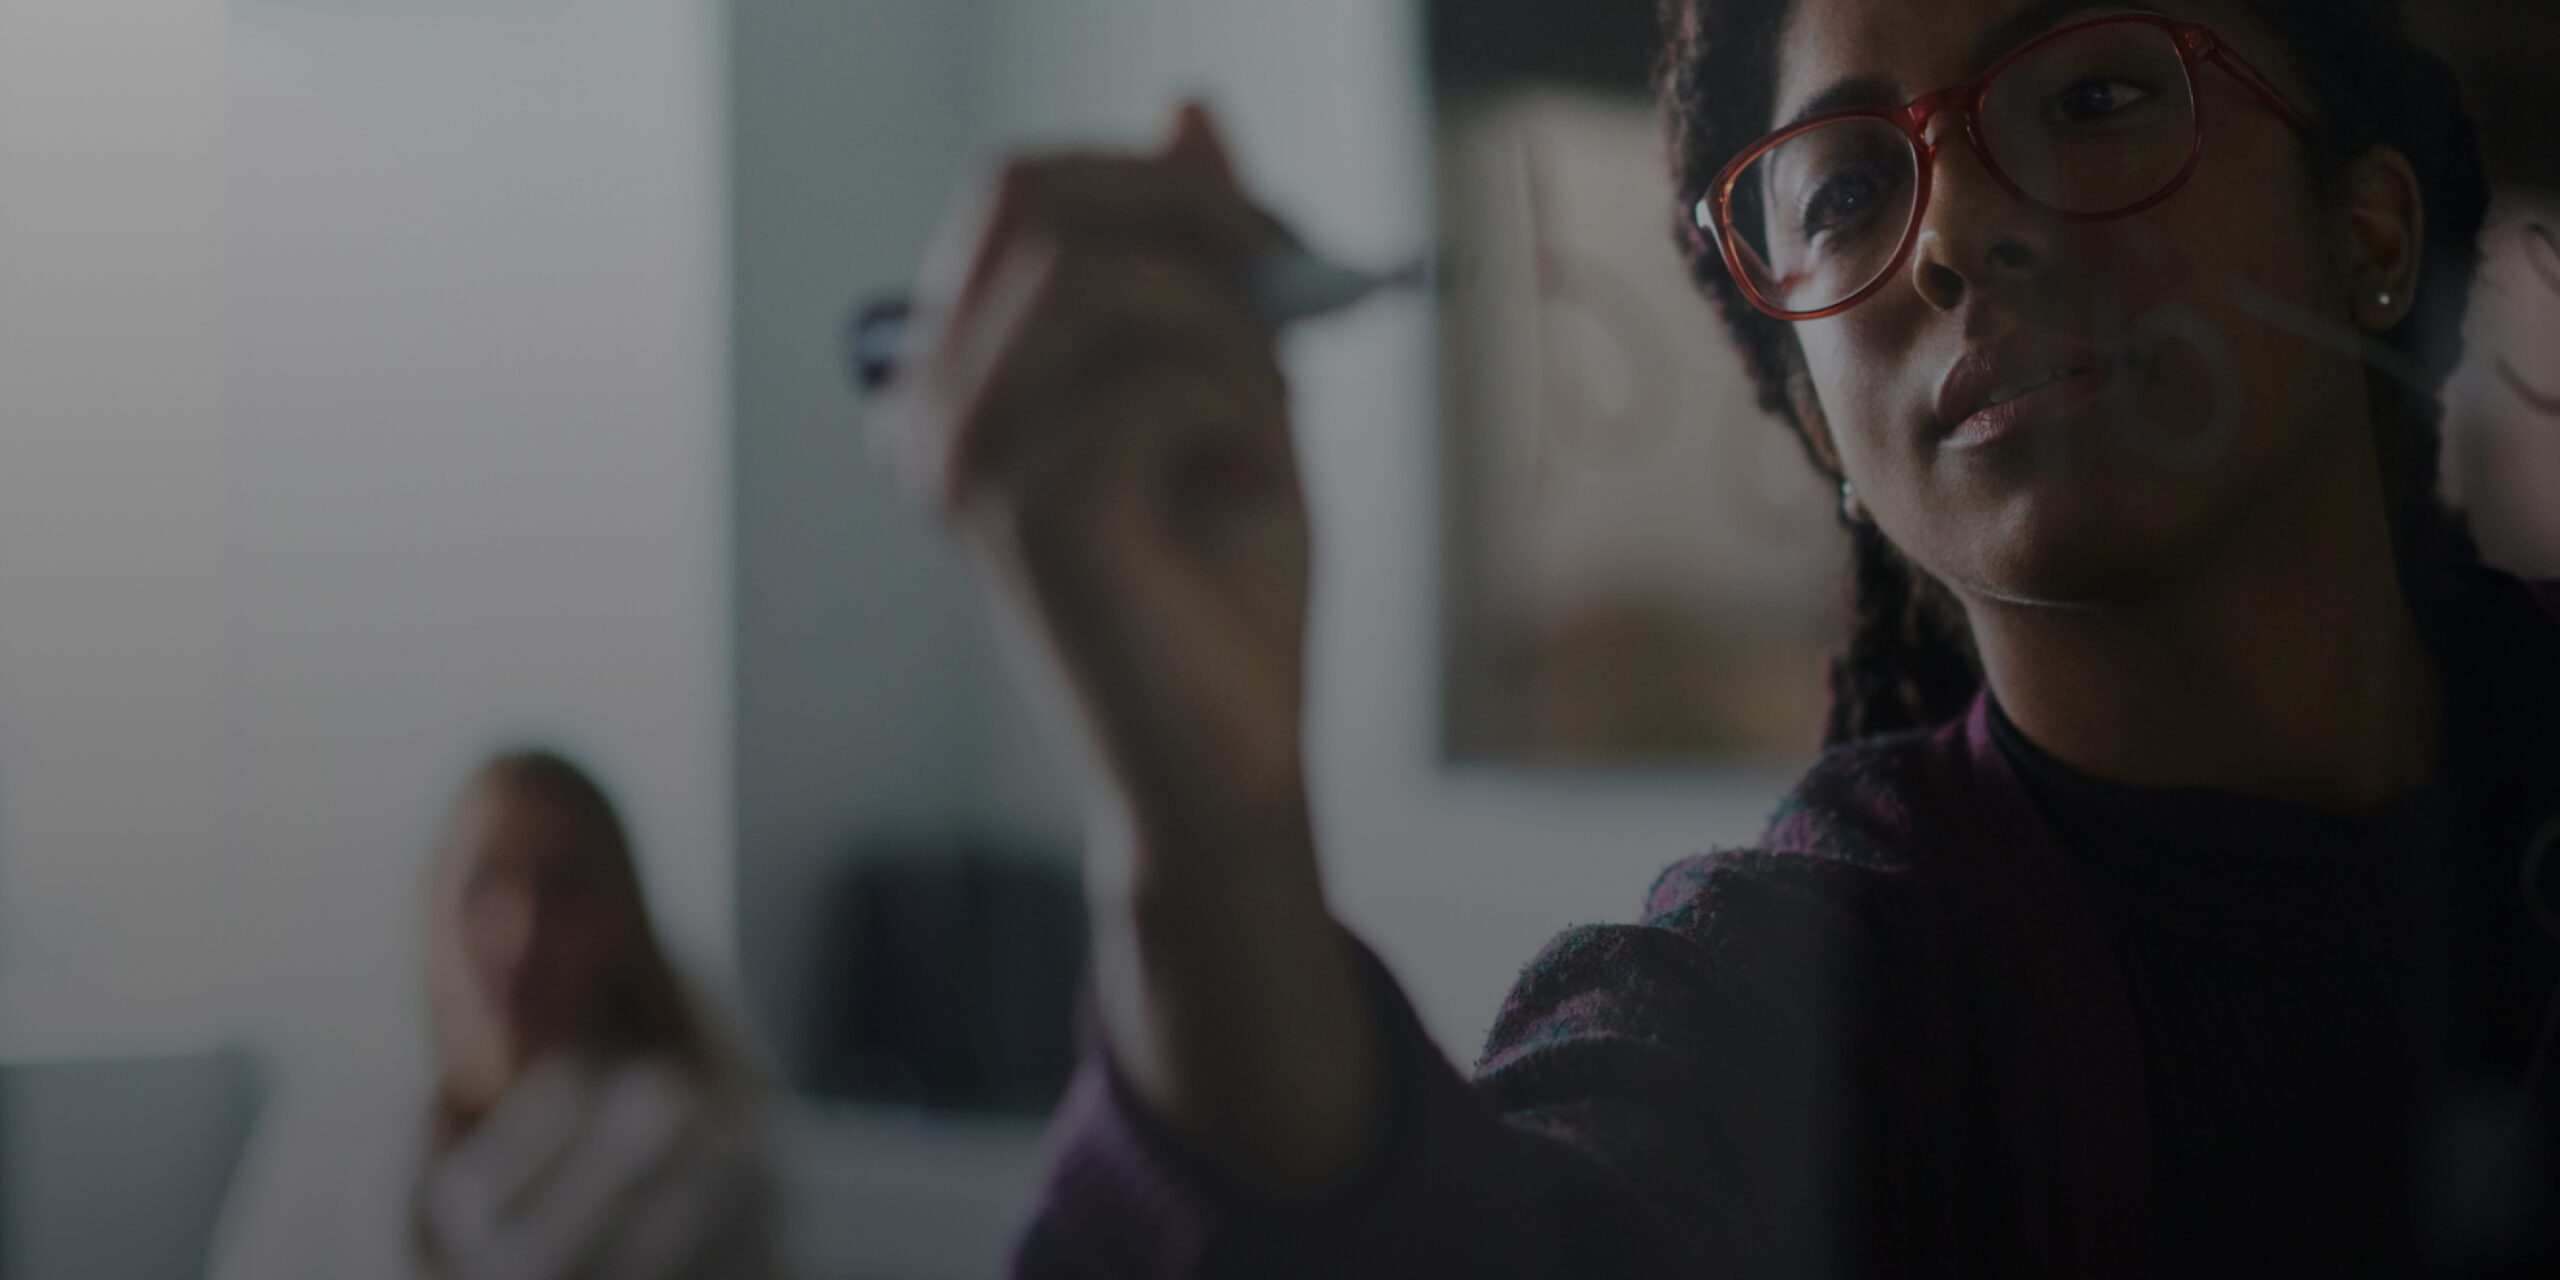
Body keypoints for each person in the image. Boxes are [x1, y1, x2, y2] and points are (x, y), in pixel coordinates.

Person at [880, 0, 2560, 1274]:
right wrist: (1211, 841)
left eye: (2099, 98)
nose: (1963, 231)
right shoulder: (1830, 988)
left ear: (2370, 237)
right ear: (1824, 428)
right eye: (1841, 195)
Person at [213, 750, 785, 1280]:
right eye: (483, 880)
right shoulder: (327, 1133)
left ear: (620, 919)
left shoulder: (695, 1153)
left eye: (565, 889)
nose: (521, 937)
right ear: (432, 901)